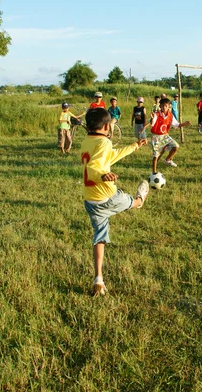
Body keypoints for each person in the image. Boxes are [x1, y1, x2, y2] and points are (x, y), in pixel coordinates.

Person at [80, 107, 149, 296]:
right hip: (107, 198)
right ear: (105, 127)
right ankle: (140, 200)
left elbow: (111, 156)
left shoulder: (87, 141)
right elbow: (95, 167)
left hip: (91, 201)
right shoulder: (103, 142)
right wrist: (103, 175)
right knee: (131, 202)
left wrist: (135, 146)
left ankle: (98, 279)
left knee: (99, 237)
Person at [150, 98, 191, 173]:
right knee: (156, 156)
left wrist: (185, 124)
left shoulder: (170, 115)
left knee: (176, 146)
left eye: (166, 106)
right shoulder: (157, 114)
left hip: (165, 136)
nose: (164, 108)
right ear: (160, 106)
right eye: (162, 106)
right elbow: (152, 123)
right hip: (156, 137)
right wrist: (152, 119)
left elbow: (176, 125)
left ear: (169, 106)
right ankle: (154, 172)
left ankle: (168, 160)